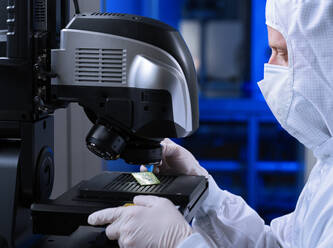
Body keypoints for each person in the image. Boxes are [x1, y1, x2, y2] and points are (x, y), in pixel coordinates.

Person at [88, 0, 333, 247]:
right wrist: (208, 198)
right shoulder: (327, 167)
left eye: (282, 53)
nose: (269, 67)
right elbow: (275, 245)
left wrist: (179, 242)